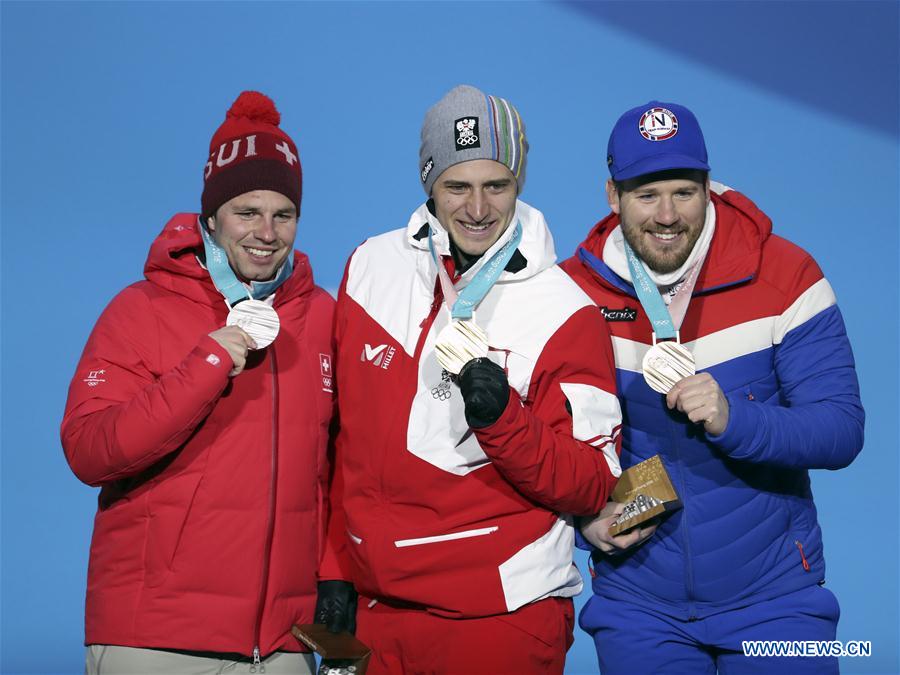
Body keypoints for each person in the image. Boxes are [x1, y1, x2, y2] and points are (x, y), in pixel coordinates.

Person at [316, 84, 623, 674]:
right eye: (458, 186)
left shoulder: (564, 310)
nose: (478, 208)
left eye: (497, 185)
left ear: (520, 184)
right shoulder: (370, 268)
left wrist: (503, 421)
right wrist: (334, 571)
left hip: (500, 616)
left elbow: (592, 482)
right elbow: (341, 444)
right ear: (428, 183)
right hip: (378, 613)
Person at [561, 101, 865, 674]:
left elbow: (842, 430)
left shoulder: (787, 275)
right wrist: (583, 518)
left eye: (683, 191)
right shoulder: (569, 295)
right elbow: (542, 443)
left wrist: (735, 419)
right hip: (637, 605)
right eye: (646, 195)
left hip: (779, 600)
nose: (667, 214)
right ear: (612, 195)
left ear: (708, 185)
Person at [61, 91, 337, 674]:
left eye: (283, 214)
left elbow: (338, 472)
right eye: (246, 212)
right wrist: (207, 363)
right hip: (157, 640)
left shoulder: (322, 318)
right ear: (211, 218)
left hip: (283, 644)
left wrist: (333, 582)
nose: (266, 232)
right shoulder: (140, 310)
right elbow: (89, 451)